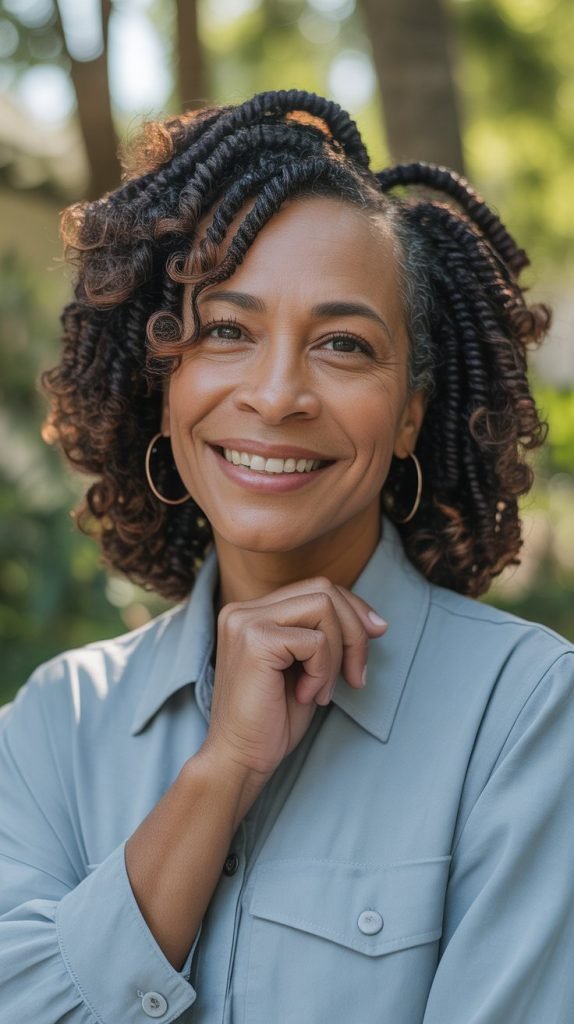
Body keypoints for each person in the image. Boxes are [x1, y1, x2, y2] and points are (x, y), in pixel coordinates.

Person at [0, 89, 572, 1024]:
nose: (276, 395)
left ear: (409, 418)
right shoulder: (55, 728)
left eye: (343, 345)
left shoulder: (523, 717)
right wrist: (221, 769)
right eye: (227, 329)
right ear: (166, 373)